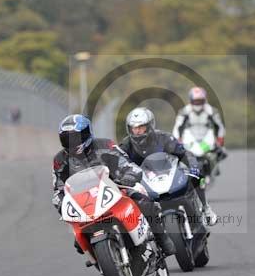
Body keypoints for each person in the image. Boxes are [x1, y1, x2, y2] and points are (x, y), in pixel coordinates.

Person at [52, 114, 175, 256]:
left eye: (76, 137)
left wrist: (129, 176)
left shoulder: (105, 145)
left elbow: (128, 164)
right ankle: (101, 259)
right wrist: (62, 204)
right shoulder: (60, 160)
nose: (72, 142)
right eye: (67, 138)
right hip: (85, 202)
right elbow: (58, 189)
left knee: (144, 202)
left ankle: (162, 238)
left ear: (87, 133)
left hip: (116, 188)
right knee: (79, 243)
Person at [120, 107, 218, 226]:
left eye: (141, 127)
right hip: (143, 182)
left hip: (168, 174)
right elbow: (119, 162)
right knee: (124, 193)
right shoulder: (125, 145)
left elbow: (184, 153)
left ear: (150, 126)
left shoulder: (164, 138)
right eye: (134, 128)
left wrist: (192, 164)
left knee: (198, 175)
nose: (138, 131)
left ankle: (205, 208)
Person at [173, 87, 226, 160]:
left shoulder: (212, 111)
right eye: (195, 101)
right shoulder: (184, 111)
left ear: (204, 100)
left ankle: (212, 166)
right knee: (180, 153)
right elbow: (177, 127)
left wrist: (220, 139)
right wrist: (177, 140)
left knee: (221, 151)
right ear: (191, 100)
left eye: (200, 101)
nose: (197, 103)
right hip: (190, 140)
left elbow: (220, 126)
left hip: (206, 139)